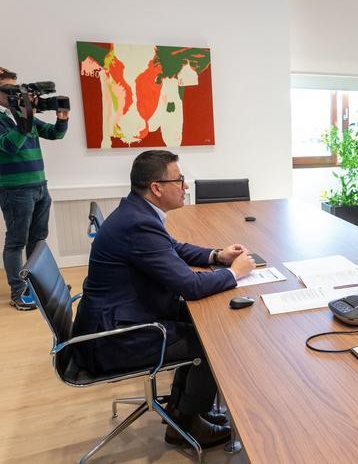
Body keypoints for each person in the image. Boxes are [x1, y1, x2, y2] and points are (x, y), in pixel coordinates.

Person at [71, 150, 256, 449]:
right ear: (157, 188)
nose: (185, 186)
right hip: (111, 340)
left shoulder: (137, 212)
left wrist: (216, 255)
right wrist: (235, 274)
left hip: (115, 319)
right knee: (210, 339)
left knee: (197, 324)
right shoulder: (138, 224)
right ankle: (187, 422)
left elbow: (174, 247)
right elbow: (190, 285)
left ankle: (182, 412)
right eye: (179, 180)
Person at [0, 67, 68, 311]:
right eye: (8, 89)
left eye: (16, 89)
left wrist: (62, 118)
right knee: (16, 242)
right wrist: (25, 119)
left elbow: (54, 134)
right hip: (14, 189)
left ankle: (37, 286)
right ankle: (19, 293)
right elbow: (9, 146)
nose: (14, 94)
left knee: (38, 240)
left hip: (40, 185)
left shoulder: (19, 113)